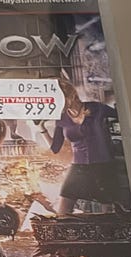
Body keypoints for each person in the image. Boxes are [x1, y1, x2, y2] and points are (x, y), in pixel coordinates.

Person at [37, 79, 119, 214]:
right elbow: (55, 148)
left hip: (103, 166)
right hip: (78, 168)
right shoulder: (62, 118)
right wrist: (41, 128)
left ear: (71, 96)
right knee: (63, 211)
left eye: (59, 98)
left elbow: (124, 117)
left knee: (108, 212)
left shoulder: (97, 108)